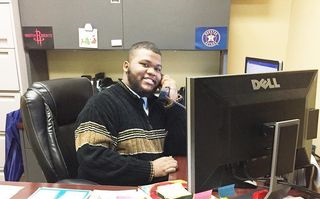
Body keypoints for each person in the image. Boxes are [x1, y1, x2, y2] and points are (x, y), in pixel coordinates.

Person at [74, 41, 187, 186]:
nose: (152, 72)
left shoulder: (159, 105)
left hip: (159, 188)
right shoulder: (101, 104)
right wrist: (150, 169)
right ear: (126, 66)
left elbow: (182, 148)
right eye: (145, 64)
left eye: (158, 69)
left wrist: (172, 102)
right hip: (119, 192)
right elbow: (92, 157)